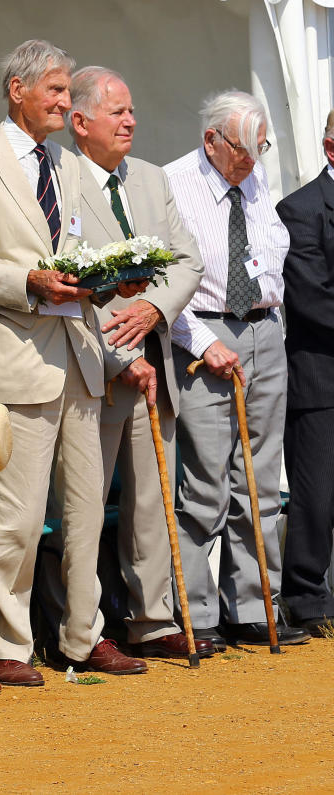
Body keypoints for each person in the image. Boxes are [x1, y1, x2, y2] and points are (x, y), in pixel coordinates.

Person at [0, 40, 147, 682]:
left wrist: (109, 280)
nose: (66, 101)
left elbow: (77, 247)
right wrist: (29, 281)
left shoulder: (67, 164)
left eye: (67, 92)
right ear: (17, 90)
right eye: (56, 91)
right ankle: (9, 645)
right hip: (19, 358)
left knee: (88, 511)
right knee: (19, 515)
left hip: (83, 357)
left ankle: (83, 637)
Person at [67, 66, 212, 658]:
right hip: (91, 364)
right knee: (85, 500)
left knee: (152, 497)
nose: (131, 121)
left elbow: (188, 261)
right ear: (80, 122)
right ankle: (83, 628)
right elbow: (67, 278)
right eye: (117, 111)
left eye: (132, 110)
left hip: (155, 359)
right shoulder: (57, 181)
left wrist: (153, 310)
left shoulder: (151, 179)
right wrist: (116, 351)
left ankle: (152, 620)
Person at [164, 90, 309, 648]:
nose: (252, 159)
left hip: (264, 330)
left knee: (260, 480)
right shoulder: (174, 181)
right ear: (212, 141)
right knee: (205, 480)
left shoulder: (255, 176)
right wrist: (201, 340)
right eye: (243, 149)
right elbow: (165, 282)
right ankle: (195, 613)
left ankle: (253, 605)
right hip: (203, 328)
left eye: (260, 147)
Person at [276, 109, 334, 636]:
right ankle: (305, 596)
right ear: (331, 148)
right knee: (316, 494)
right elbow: (312, 297)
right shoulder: (299, 209)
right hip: (321, 375)